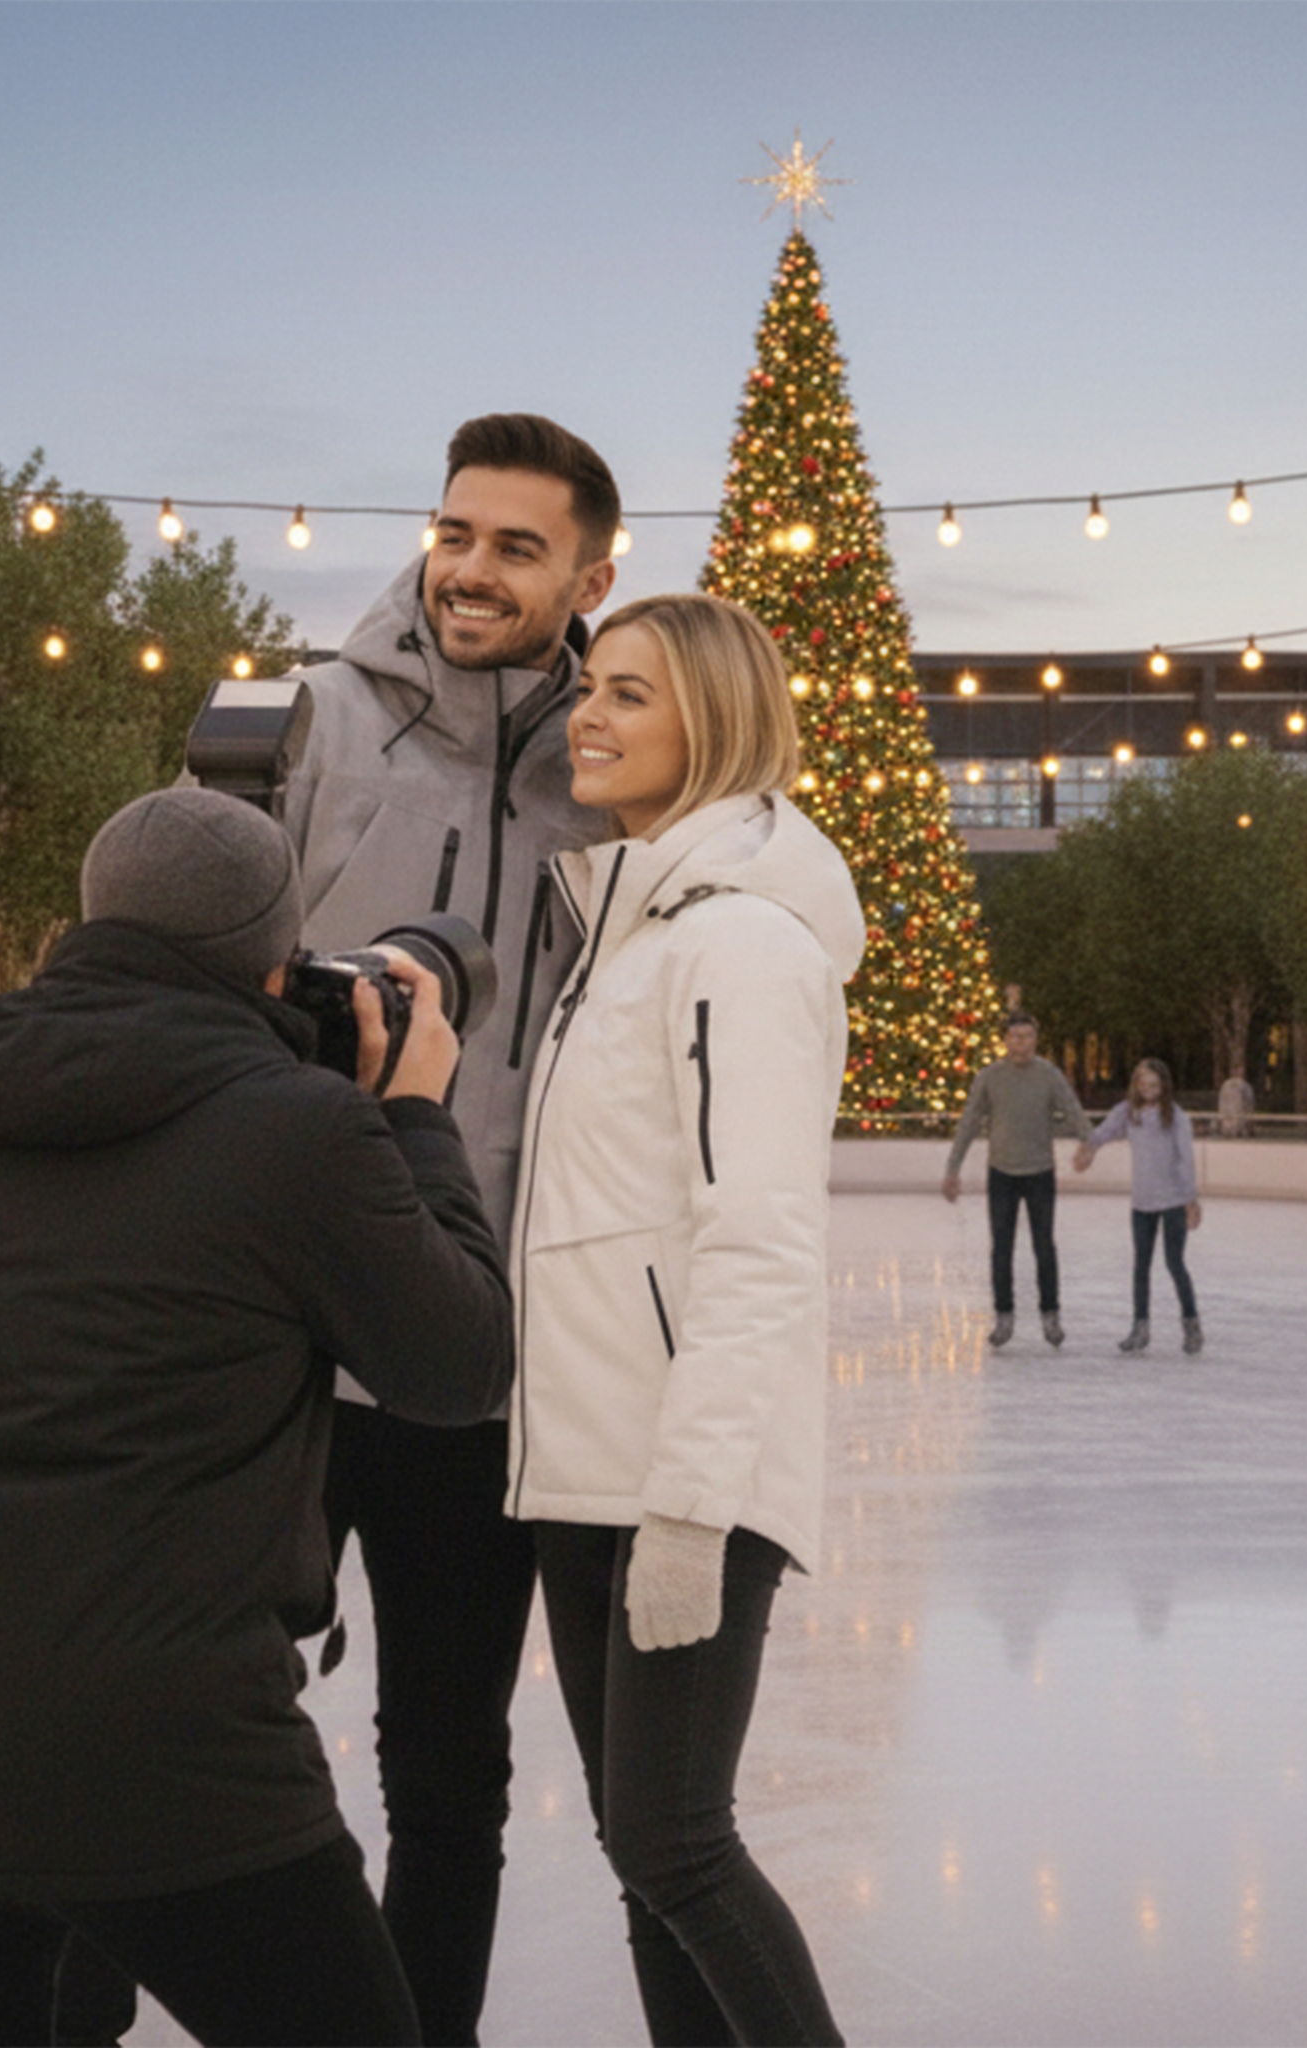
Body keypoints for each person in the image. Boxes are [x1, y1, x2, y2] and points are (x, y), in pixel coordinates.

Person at [0, 787, 512, 2048]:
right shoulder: (305, 1130)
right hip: (165, 1729)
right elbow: (457, 1367)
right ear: (274, 952)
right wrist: (409, 1113)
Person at [266, 412, 620, 2047]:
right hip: (273, 1336)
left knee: (445, 1784)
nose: (470, 568)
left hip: (473, 1364)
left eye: (516, 546)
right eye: (455, 531)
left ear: (591, 574)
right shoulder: (325, 716)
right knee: (166, 1739)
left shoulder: (624, 761)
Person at [507, 592, 859, 2047]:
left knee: (675, 1844)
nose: (589, 714)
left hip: (679, 1473)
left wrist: (696, 1503)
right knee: (641, 1859)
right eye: (590, 686)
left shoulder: (740, 945)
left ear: (711, 716)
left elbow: (758, 1237)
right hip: (594, 1463)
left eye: (631, 694)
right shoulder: (628, 929)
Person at [942, 1012, 1092, 1348]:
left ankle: (1050, 1314)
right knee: (1002, 1248)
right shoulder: (990, 1077)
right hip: (1002, 1174)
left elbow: (1072, 1109)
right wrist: (953, 1169)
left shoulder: (1048, 1075)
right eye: (1015, 1036)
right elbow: (968, 1123)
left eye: (1027, 1036)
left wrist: (1087, 1141)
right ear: (1005, 1040)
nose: (1021, 1042)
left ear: (1035, 1040)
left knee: (1044, 1247)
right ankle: (1004, 1315)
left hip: (1039, 1173)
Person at [1072, 1057, 1204, 1354]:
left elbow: (1185, 1159)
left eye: (1154, 1084)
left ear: (1164, 1086)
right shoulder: (1128, 1113)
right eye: (1142, 1084)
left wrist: (1190, 1199)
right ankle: (1140, 1327)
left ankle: (1191, 1324)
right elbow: (1102, 1132)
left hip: (1173, 1201)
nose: (1147, 1089)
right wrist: (1087, 1148)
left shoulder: (1176, 1117)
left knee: (1174, 1263)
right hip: (1142, 1203)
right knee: (1140, 1266)